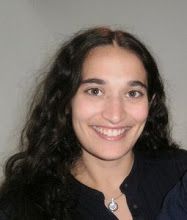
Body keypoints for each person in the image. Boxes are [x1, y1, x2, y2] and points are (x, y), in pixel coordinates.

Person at [0, 26, 186, 220]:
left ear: (151, 102)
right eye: (95, 91)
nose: (115, 115)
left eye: (133, 93)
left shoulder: (181, 172)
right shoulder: (22, 207)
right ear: (65, 101)